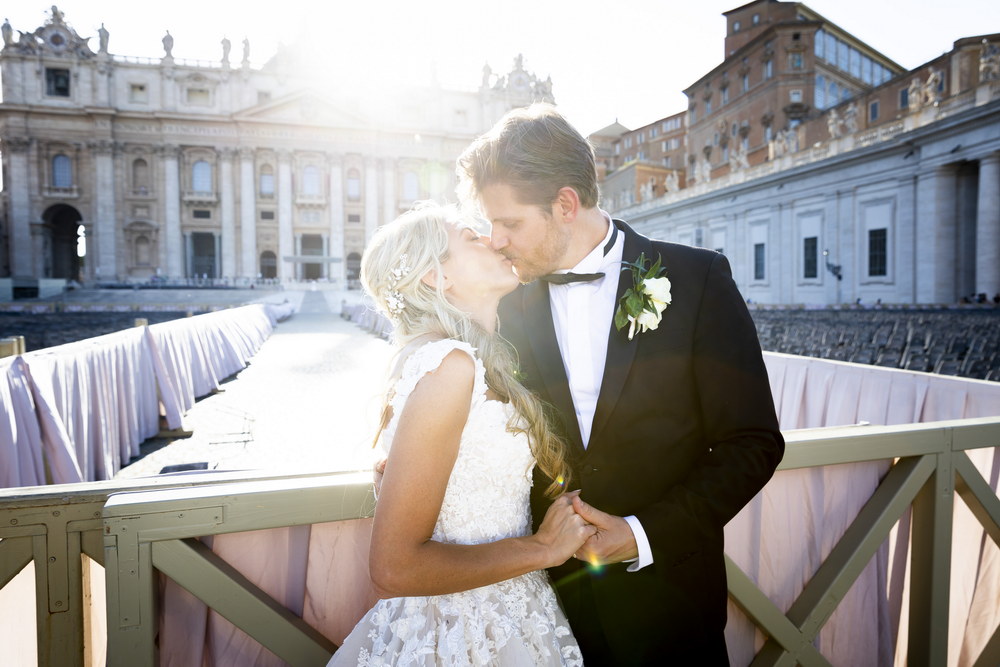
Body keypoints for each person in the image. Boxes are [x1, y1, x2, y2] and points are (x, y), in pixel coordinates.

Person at [457, 103, 784, 665]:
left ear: (565, 204)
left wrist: (642, 533)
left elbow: (752, 443)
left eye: (510, 223)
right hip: (541, 612)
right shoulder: (502, 303)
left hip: (670, 605)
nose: (497, 240)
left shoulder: (697, 279)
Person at [329, 203, 591, 666]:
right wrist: (543, 548)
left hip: (511, 610)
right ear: (436, 276)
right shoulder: (450, 365)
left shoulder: (461, 359)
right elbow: (393, 567)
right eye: (471, 237)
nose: (493, 239)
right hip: (458, 629)